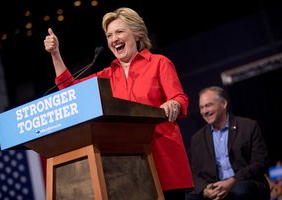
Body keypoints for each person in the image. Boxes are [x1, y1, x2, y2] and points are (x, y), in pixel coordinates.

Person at [44, 7, 193, 199]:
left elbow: (180, 98)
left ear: (137, 34)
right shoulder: (107, 76)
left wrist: (173, 104)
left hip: (163, 159)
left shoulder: (159, 63)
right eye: (109, 35)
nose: (114, 39)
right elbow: (70, 90)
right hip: (128, 166)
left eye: (120, 32)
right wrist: (55, 54)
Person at [186, 86, 270, 200]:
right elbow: (196, 174)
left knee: (240, 191)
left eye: (208, 105)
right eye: (201, 107)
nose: (204, 111)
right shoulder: (197, 139)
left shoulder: (248, 126)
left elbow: (260, 163)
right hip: (215, 188)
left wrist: (232, 181)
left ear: (224, 104)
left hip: (244, 182)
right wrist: (205, 190)